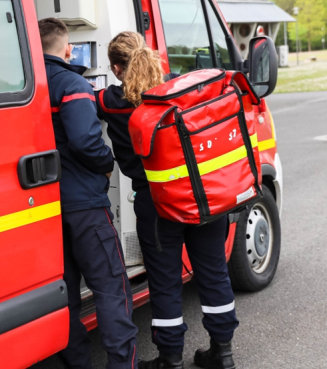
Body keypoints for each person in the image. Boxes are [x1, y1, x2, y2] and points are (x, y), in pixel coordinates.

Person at [94, 31, 238, 369]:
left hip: (157, 206)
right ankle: (223, 352)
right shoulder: (178, 89)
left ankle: (170, 359)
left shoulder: (112, 101)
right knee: (214, 273)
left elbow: (83, 97)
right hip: (201, 198)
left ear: (116, 68)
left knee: (165, 281)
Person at [39, 18, 138, 369]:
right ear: (68, 49)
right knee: (112, 288)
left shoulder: (29, 87)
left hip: (45, 209)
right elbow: (84, 140)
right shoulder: (73, 84)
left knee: (66, 295)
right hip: (86, 207)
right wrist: (107, 162)